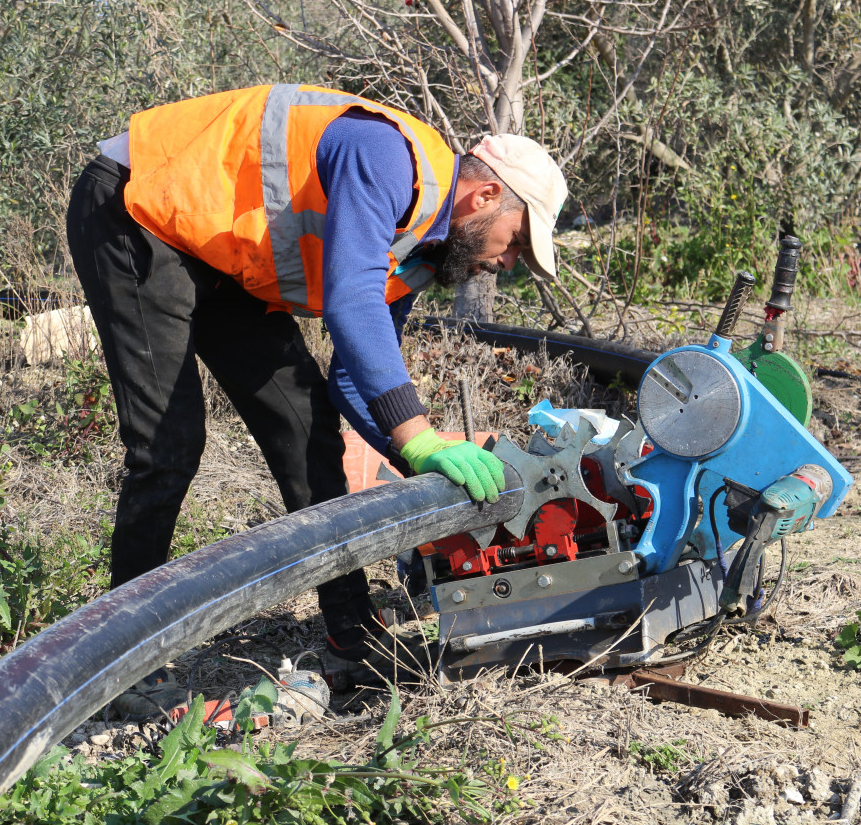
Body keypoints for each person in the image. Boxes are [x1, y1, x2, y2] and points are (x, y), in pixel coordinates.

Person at [67, 84, 567, 681]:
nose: (507, 263)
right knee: (168, 446)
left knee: (307, 423)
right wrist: (420, 435)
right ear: (485, 195)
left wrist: (422, 460)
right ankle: (121, 663)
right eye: (515, 242)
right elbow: (350, 301)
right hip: (138, 208)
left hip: (223, 258)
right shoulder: (384, 155)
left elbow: (355, 379)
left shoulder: (421, 252)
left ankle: (352, 632)